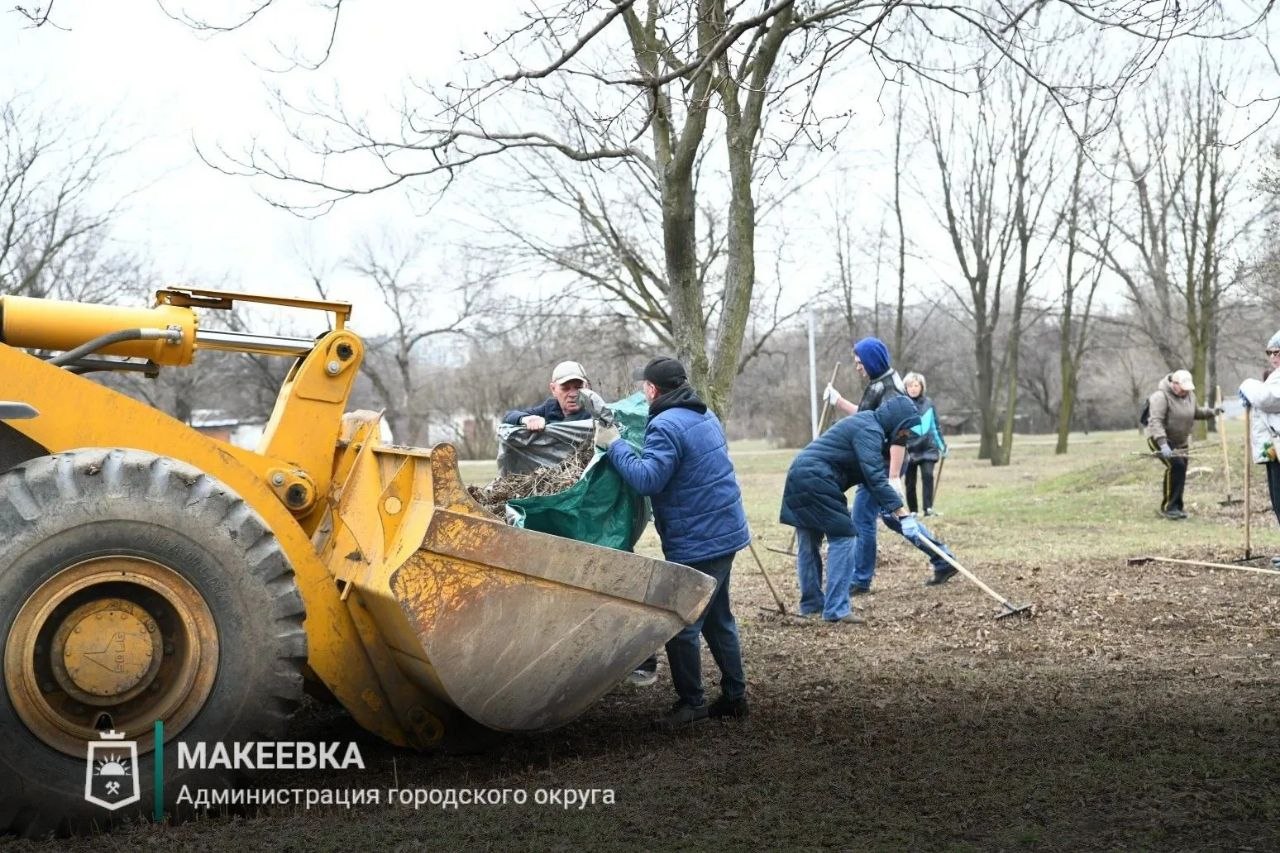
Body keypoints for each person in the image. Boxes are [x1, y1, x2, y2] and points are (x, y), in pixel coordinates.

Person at [595, 356, 751, 729]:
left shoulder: (664, 425)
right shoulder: (704, 415)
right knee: (718, 618)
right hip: (726, 532)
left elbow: (647, 480)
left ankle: (692, 704)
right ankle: (735, 697)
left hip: (699, 541)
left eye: (643, 386)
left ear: (652, 389)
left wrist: (615, 445)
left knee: (681, 624)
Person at [824, 337, 958, 590]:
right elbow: (868, 418)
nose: (857, 366)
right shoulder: (878, 383)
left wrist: (894, 476)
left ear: (872, 360)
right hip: (876, 462)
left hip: (884, 465)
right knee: (894, 518)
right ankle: (943, 559)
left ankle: (860, 579)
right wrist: (838, 401)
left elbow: (900, 433)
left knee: (863, 519)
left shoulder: (890, 390)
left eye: (860, 362)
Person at [779, 395, 926, 623]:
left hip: (799, 473)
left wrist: (894, 508)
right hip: (818, 478)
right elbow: (875, 477)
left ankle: (812, 604)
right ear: (896, 421)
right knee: (844, 537)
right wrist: (904, 515)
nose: (906, 434)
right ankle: (836, 609)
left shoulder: (866, 422)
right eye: (905, 427)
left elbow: (870, 479)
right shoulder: (871, 431)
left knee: (808, 541)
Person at [1145, 368, 1219, 520]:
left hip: (1181, 441)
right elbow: (1156, 422)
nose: (1185, 392)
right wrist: (1163, 444)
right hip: (1160, 439)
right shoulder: (1161, 396)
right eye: (1183, 389)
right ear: (1174, 384)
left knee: (1181, 470)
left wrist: (1212, 412)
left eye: (1187, 389)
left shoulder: (1189, 395)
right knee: (1176, 466)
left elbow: (1196, 412)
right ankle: (1168, 507)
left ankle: (1177, 507)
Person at [1237, 334, 1280, 565]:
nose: (1273, 357)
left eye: (1277, 352)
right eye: (1269, 352)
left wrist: (1247, 386)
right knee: (1277, 499)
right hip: (1274, 449)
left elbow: (1268, 399)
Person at [502, 360, 601, 431]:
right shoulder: (549, 408)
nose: (573, 394)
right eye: (565, 388)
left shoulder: (596, 412)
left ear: (586, 387)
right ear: (553, 389)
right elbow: (508, 416)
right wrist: (527, 419)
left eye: (578, 387)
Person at [902, 372, 947, 517]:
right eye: (910, 386)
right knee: (910, 482)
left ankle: (928, 508)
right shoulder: (901, 403)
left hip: (928, 447)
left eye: (916, 385)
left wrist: (942, 446)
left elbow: (935, 426)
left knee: (928, 475)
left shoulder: (929, 403)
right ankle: (913, 511)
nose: (913, 388)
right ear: (905, 388)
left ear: (922, 387)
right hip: (909, 448)